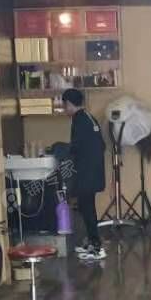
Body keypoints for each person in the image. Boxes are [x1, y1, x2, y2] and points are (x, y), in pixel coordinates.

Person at [64, 88, 106, 260]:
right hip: (93, 171)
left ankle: (96, 247)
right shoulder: (89, 117)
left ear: (69, 104)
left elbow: (76, 147)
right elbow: (102, 145)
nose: (65, 109)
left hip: (86, 173)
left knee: (87, 209)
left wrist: (60, 149)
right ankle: (92, 242)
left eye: (65, 105)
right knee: (87, 207)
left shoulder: (79, 120)